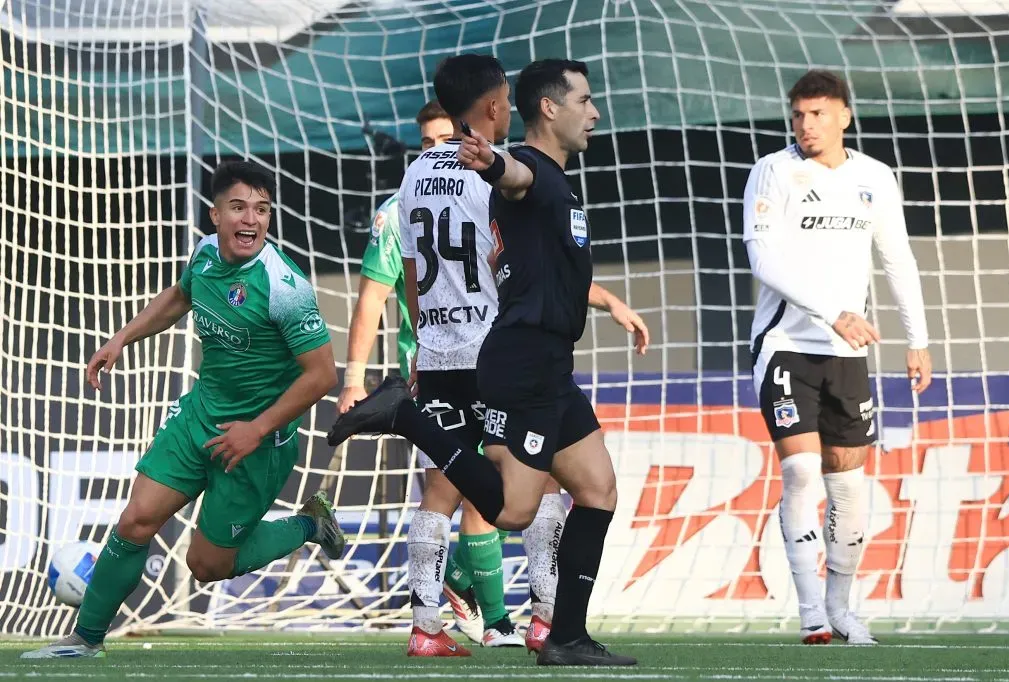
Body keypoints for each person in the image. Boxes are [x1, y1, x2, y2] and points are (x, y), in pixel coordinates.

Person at [328, 58, 648, 667]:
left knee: (594, 488)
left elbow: (416, 270)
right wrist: (494, 164)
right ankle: (406, 420)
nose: (594, 112)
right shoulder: (512, 169)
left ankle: (554, 633)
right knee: (518, 505)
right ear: (508, 107)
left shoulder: (419, 173)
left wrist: (423, 338)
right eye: (585, 100)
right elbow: (513, 182)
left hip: (470, 351)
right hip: (511, 354)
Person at [23, 161, 344, 659]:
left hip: (256, 443)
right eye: (238, 208)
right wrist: (122, 338)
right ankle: (85, 639)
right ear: (215, 215)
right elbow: (179, 296)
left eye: (262, 210)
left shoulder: (286, 287)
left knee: (207, 566)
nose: (251, 220)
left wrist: (256, 429)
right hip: (198, 416)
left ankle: (310, 525)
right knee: (136, 520)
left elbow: (322, 376)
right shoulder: (204, 254)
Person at [339, 95, 559, 653]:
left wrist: (421, 341)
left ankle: (428, 624)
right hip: (494, 353)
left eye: (441, 137)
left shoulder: (412, 182)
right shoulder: (497, 175)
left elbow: (413, 275)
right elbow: (510, 265)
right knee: (541, 480)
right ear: (492, 106)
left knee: (448, 490)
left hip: (435, 357)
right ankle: (541, 618)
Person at [742, 69, 931, 645]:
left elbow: (897, 259)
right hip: (785, 345)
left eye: (818, 113)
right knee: (801, 472)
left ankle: (841, 608)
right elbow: (762, 260)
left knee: (847, 484)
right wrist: (833, 312)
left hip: (847, 353)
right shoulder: (773, 170)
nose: (806, 125)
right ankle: (810, 614)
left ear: (845, 115)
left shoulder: (875, 176)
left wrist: (918, 339)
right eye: (798, 115)